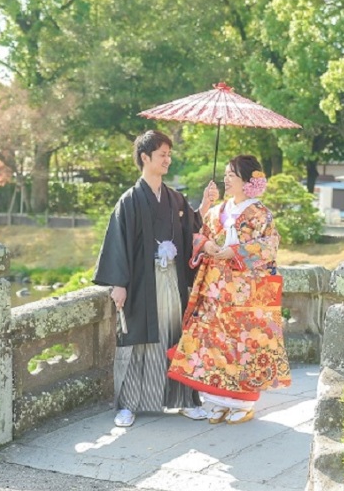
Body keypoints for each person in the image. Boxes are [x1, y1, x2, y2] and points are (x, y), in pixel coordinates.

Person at [93, 129, 219, 427]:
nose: (167, 160)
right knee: (136, 338)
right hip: (142, 282)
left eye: (169, 155)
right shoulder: (129, 200)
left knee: (176, 334)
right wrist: (118, 283)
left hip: (171, 278)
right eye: (162, 154)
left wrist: (205, 204)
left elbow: (190, 227)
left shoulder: (174, 198)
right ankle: (128, 405)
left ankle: (184, 399)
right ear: (145, 157)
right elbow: (118, 242)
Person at [167, 154, 291, 425]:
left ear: (248, 181)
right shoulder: (217, 211)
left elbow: (270, 245)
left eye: (232, 175)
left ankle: (242, 404)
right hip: (214, 289)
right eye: (225, 175)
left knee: (243, 344)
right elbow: (198, 235)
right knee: (214, 343)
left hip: (246, 291)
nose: (226, 179)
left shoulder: (260, 213)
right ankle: (219, 401)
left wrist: (235, 251)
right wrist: (207, 245)